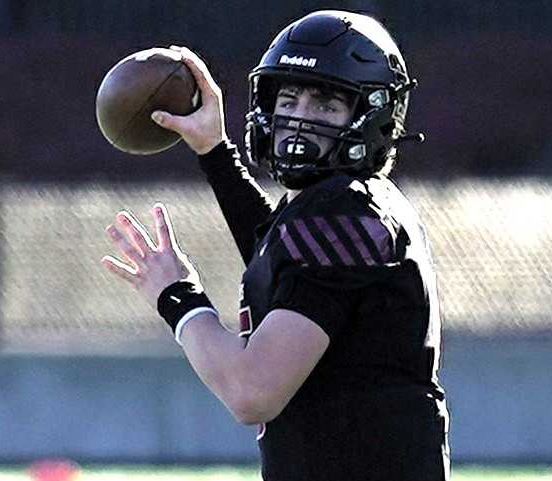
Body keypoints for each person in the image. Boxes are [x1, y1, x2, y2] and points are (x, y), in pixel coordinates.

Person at [102, 10, 450, 481]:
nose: (300, 121)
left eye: (326, 106)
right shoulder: (346, 209)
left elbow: (252, 392)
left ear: (373, 115)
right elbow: (282, 263)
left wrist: (178, 298)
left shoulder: (343, 216)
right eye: (289, 99)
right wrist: (214, 149)